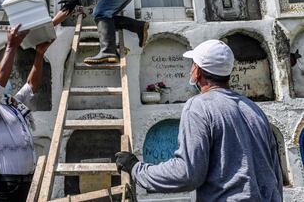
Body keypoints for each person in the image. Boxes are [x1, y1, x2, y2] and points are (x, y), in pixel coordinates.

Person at [115, 39, 283, 201]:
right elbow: (275, 173)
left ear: (198, 71)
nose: (191, 69)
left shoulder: (200, 106)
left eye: (193, 64)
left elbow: (187, 173)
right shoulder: (254, 109)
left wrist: (137, 169)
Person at [0, 24, 52, 202]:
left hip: (27, 185)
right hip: (4, 189)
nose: (4, 78)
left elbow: (32, 85)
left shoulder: (13, 104)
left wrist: (39, 55)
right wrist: (11, 46)